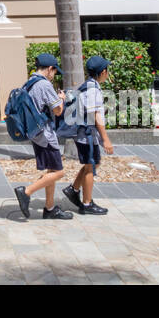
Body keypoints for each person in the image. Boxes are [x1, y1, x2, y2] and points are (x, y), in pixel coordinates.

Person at [12, 52, 71, 220]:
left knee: (51, 170)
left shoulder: (29, 82)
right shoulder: (44, 85)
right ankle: (26, 192)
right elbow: (57, 110)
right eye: (55, 72)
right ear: (50, 69)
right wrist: (61, 99)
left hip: (35, 133)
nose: (54, 75)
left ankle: (50, 208)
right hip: (45, 135)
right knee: (59, 172)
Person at [63, 55, 113, 215]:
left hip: (83, 134)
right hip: (86, 135)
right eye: (107, 70)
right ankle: (87, 203)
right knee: (91, 166)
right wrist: (106, 139)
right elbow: (95, 115)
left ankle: (73, 189)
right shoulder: (92, 90)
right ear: (103, 72)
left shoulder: (88, 86)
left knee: (90, 164)